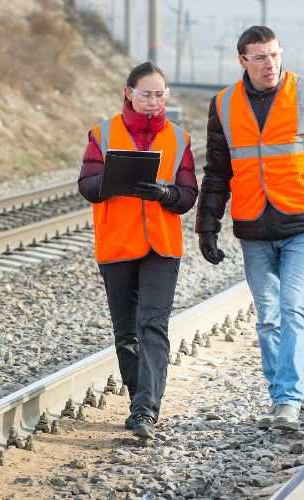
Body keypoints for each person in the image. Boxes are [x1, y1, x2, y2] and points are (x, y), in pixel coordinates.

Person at [195, 26, 304, 430]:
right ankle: (279, 397)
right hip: (253, 227)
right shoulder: (223, 105)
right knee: (268, 316)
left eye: (274, 55)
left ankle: (288, 400)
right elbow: (218, 172)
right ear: (242, 61)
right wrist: (207, 226)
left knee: (293, 309)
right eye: (259, 57)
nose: (269, 64)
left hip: (303, 222)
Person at [78, 62, 198, 439]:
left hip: (161, 247)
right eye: (146, 94)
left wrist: (166, 194)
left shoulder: (179, 138)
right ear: (128, 92)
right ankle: (138, 400)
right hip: (118, 244)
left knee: (153, 326)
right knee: (126, 332)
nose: (153, 101)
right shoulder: (103, 134)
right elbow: (87, 185)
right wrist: (115, 181)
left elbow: (188, 194)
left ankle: (147, 410)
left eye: (160, 94)